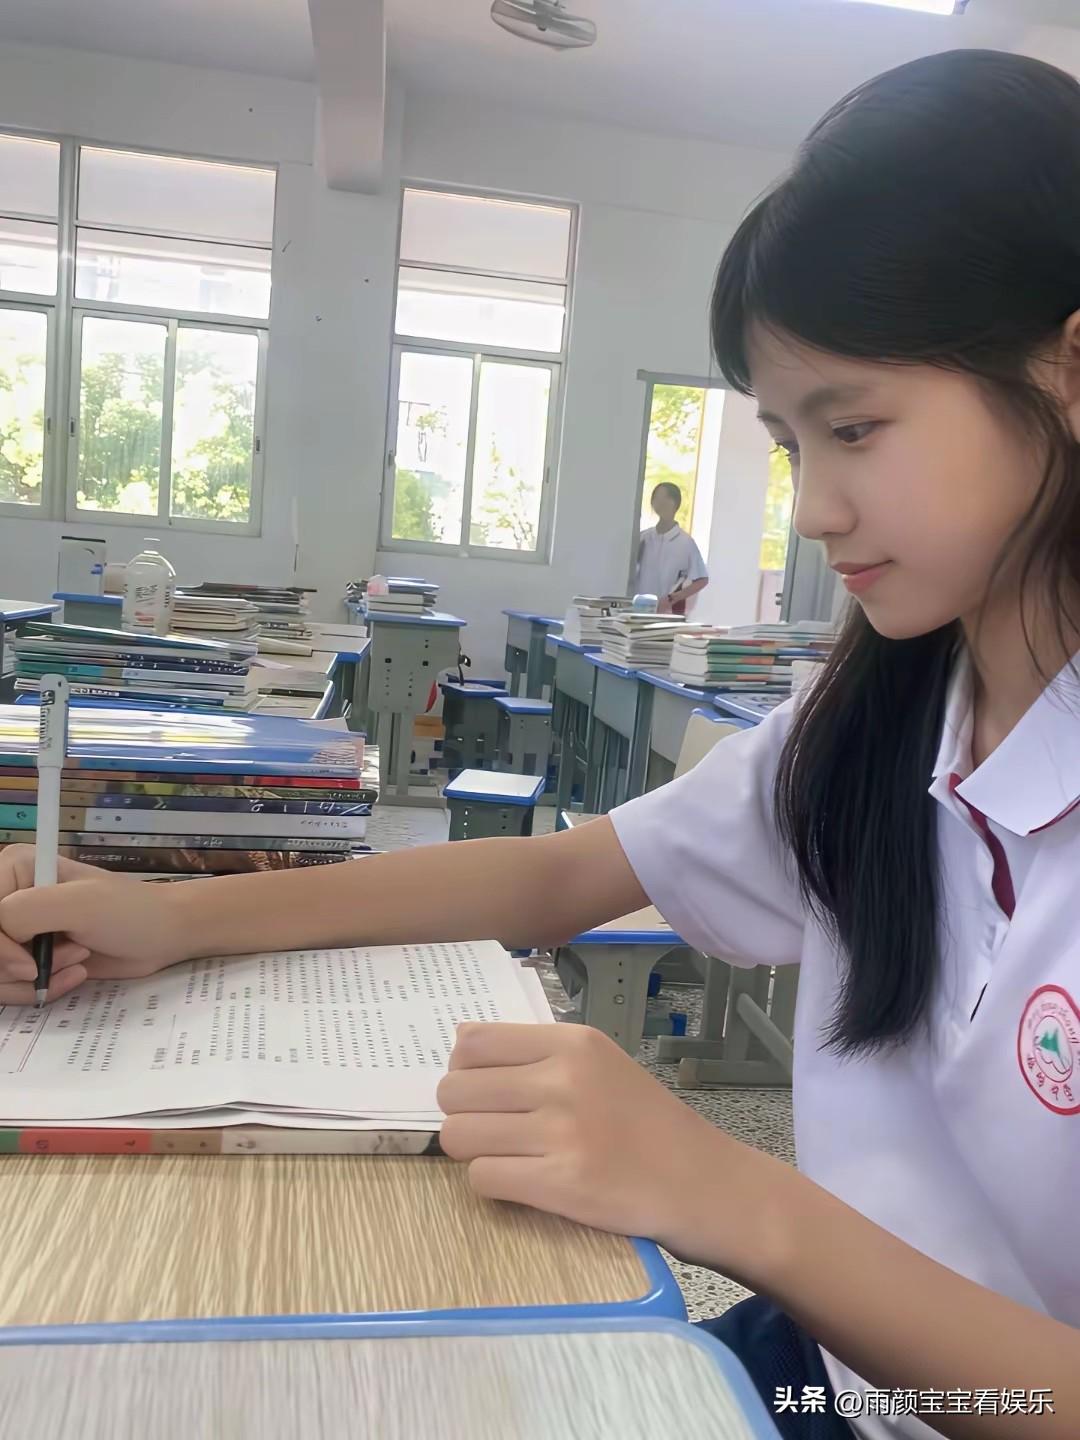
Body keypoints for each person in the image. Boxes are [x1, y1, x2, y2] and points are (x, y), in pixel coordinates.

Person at [1, 46, 1078, 1440]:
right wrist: (170, 918)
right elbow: (558, 876)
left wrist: (731, 1196)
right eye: (788, 442)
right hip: (822, 1366)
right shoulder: (879, 717)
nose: (813, 508)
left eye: (856, 428)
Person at [634, 481, 709, 614]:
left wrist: (673, 599)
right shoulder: (643, 538)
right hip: (637, 610)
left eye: (665, 499)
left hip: (666, 614)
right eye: (656, 498)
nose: (660, 503)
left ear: (675, 504)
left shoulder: (685, 543)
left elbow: (702, 579)